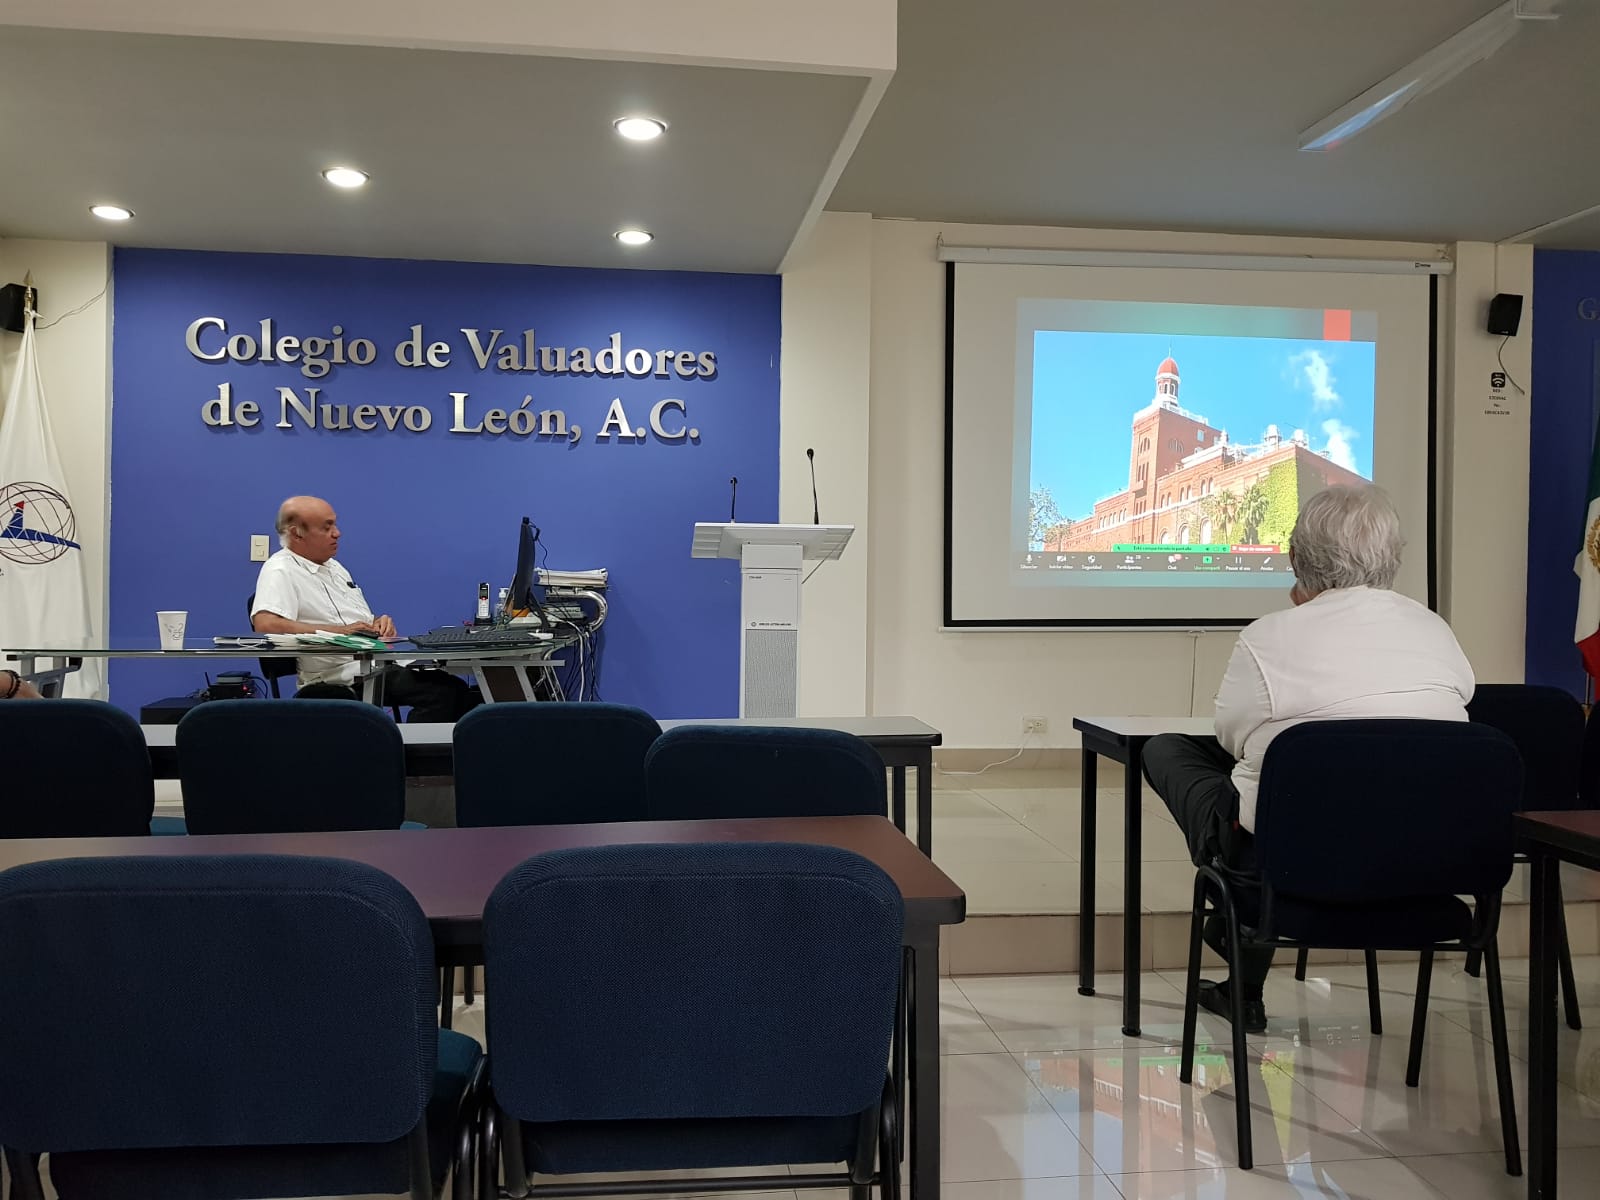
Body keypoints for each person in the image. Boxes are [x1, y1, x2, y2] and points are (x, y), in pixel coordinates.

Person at [1141, 485, 1474, 1032]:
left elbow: (1230, 738)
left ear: (1296, 558)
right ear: (1393, 556)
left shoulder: (1269, 638)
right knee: (1283, 782)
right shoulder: (1435, 630)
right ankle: (1241, 970)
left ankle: (1233, 918)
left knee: (1170, 750)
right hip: (1420, 870)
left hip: (1285, 873)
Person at [250, 496, 479, 723]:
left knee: (460, 691)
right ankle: (403, 747)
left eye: (335, 525)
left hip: (373, 662)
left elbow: (352, 621)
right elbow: (265, 623)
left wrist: (378, 623)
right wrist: (339, 632)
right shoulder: (280, 569)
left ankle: (423, 745)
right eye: (327, 527)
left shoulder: (335, 568)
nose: (337, 533)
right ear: (297, 533)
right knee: (440, 694)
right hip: (337, 675)